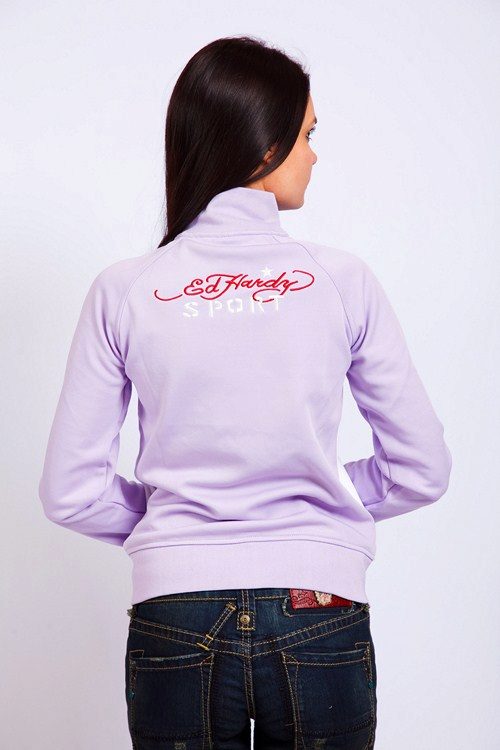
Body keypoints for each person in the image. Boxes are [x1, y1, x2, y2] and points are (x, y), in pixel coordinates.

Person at [38, 35, 452, 749]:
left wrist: (179, 521)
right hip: (318, 606)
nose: (314, 155)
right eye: (307, 134)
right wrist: (313, 502)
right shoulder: (341, 281)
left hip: (175, 609)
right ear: (263, 145)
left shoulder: (125, 290)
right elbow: (421, 470)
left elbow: (70, 492)